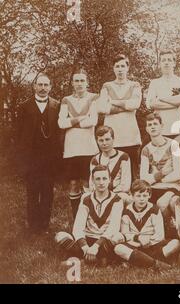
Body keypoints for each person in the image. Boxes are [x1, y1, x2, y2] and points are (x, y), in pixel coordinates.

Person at [17, 73, 61, 234]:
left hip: (50, 158)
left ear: (50, 87)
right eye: (40, 85)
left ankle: (44, 226)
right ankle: (33, 225)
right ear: (34, 86)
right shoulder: (24, 106)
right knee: (32, 191)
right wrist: (22, 160)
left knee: (48, 192)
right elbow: (19, 134)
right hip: (31, 158)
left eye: (46, 85)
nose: (43, 88)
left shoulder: (57, 105)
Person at [55, 165, 123, 265]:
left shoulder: (117, 199)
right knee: (60, 236)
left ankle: (82, 261)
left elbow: (114, 227)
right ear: (92, 180)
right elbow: (78, 226)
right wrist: (85, 247)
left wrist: (96, 246)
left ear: (110, 179)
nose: (101, 182)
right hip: (88, 239)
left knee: (118, 236)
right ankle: (99, 259)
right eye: (97, 179)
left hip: (104, 241)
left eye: (104, 178)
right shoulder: (86, 198)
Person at [58, 68, 99, 218]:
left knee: (88, 185)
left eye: (82, 80)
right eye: (76, 80)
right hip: (71, 149)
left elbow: (93, 121)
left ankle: (90, 218)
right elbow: (61, 124)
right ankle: (77, 218)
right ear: (72, 83)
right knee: (74, 184)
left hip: (89, 148)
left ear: (87, 83)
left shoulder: (94, 98)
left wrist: (71, 122)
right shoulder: (66, 100)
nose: (79, 83)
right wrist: (82, 118)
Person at [114, 179, 180, 270]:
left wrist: (148, 241)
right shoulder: (127, 211)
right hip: (135, 245)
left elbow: (160, 235)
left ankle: (138, 261)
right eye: (138, 196)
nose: (142, 199)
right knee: (118, 248)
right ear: (132, 196)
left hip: (152, 245)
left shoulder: (155, 210)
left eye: (145, 195)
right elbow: (125, 234)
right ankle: (155, 264)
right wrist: (138, 239)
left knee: (176, 243)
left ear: (149, 195)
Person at [97, 54, 142, 179]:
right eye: (117, 66)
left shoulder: (135, 85)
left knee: (133, 174)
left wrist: (112, 102)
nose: (120, 69)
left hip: (131, 136)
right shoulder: (107, 86)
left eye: (123, 66)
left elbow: (135, 104)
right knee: (112, 172)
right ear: (113, 68)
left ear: (128, 68)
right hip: (112, 136)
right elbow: (101, 107)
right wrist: (126, 106)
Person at [139, 112, 180, 223]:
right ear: (146, 129)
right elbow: (143, 178)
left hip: (171, 186)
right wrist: (162, 173)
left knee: (162, 203)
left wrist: (155, 179)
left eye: (155, 124)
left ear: (162, 126)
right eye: (149, 125)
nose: (152, 127)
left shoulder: (173, 145)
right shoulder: (146, 149)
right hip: (153, 188)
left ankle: (169, 227)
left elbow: (177, 174)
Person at [146, 50, 180, 140]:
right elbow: (151, 103)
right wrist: (175, 103)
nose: (166, 63)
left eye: (169, 60)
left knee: (178, 153)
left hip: (177, 127)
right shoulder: (154, 83)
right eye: (163, 60)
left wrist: (161, 98)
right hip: (160, 129)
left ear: (174, 63)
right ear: (160, 64)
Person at [90, 126, 132, 204]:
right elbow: (92, 185)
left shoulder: (123, 157)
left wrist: (108, 193)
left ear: (113, 139)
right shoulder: (95, 160)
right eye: (101, 140)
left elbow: (126, 186)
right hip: (100, 194)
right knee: (86, 197)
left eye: (107, 139)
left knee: (123, 197)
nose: (104, 143)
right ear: (97, 141)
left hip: (119, 193)